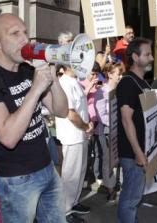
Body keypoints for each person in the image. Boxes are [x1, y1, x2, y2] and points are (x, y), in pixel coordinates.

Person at [0, 13, 68, 223]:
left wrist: (52, 78)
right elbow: (8, 136)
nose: (24, 39)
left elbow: (61, 111)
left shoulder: (26, 69)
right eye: (15, 33)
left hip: (47, 168)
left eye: (25, 32)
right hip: (17, 180)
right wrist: (35, 90)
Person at [116, 37, 153, 223]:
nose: (152, 58)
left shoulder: (143, 83)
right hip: (132, 154)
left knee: (134, 197)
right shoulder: (127, 83)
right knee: (130, 199)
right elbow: (126, 119)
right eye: (147, 54)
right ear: (135, 57)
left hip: (141, 151)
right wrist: (138, 153)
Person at [55, 64, 93, 222]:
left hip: (81, 134)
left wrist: (87, 127)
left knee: (79, 172)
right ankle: (64, 211)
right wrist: (85, 126)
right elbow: (70, 113)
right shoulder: (64, 83)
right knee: (70, 174)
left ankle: (73, 202)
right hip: (72, 136)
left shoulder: (74, 80)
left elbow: (81, 108)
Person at [94, 62, 124, 202]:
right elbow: (101, 115)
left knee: (118, 159)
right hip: (106, 131)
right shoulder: (102, 92)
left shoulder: (120, 90)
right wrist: (115, 123)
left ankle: (117, 183)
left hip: (119, 130)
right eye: (118, 74)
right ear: (110, 74)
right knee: (108, 161)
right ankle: (110, 189)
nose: (120, 76)